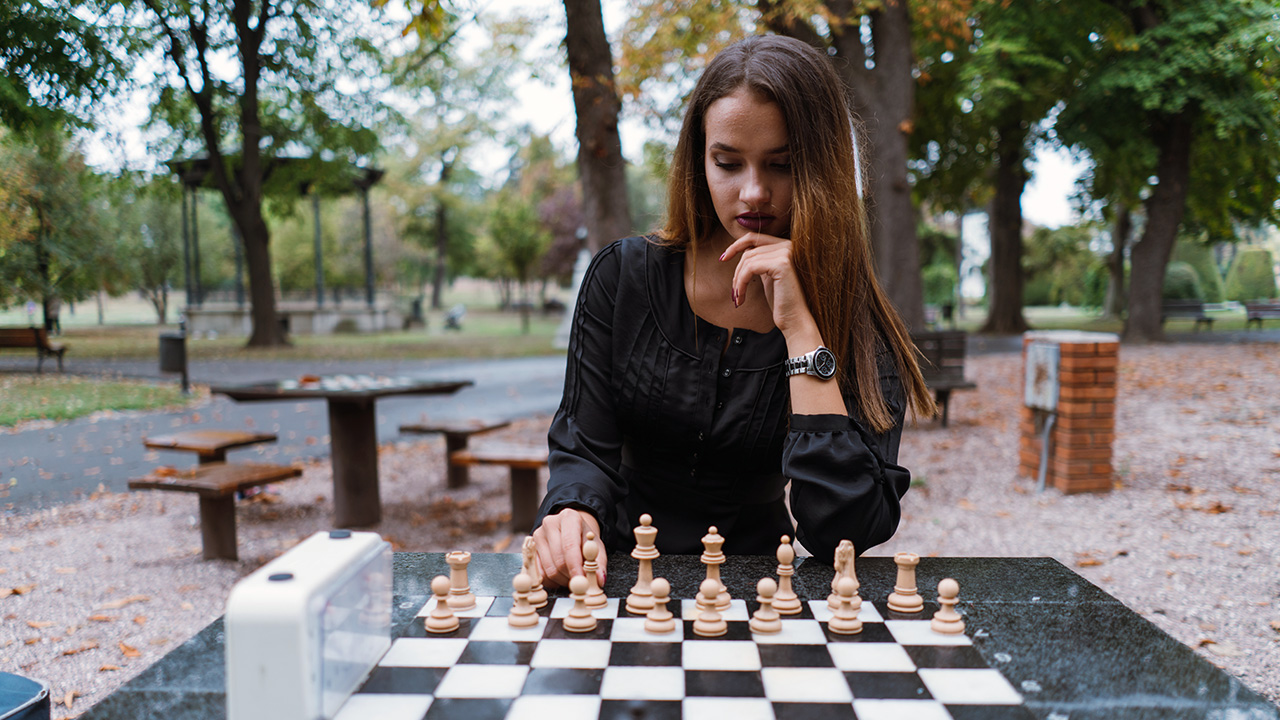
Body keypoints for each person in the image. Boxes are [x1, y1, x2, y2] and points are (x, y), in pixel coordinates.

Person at [532, 34, 936, 589]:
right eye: (728, 162)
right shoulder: (622, 276)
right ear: (699, 161)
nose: (753, 193)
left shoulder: (857, 317)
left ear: (824, 170)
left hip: (766, 592)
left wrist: (800, 332)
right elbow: (583, 448)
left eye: (782, 165)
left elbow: (843, 528)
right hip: (617, 577)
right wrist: (571, 511)